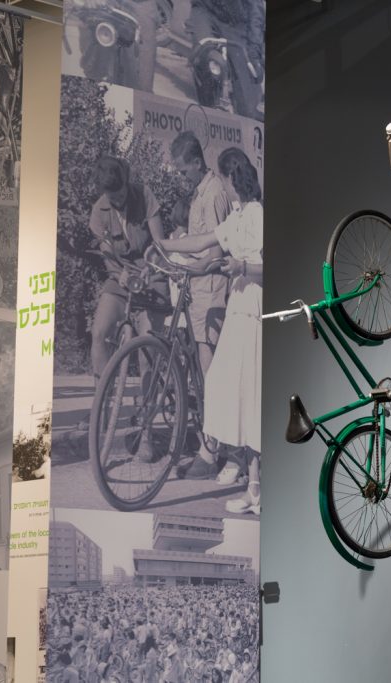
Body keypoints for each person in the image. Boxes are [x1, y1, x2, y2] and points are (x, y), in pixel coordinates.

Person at [161, 159, 262, 514]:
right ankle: (248, 477)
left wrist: (242, 266)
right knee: (223, 385)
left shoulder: (258, 215)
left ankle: (253, 485)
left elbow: (272, 264)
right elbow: (204, 242)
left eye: (226, 176)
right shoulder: (238, 215)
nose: (224, 182)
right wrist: (165, 246)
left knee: (249, 396)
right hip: (238, 308)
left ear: (235, 178)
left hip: (254, 309)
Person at [167, 131, 230, 479]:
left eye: (182, 170)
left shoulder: (215, 193)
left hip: (212, 292)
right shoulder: (198, 194)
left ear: (195, 162)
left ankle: (212, 451)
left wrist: (189, 265)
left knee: (212, 377)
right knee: (204, 378)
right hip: (198, 291)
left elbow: (218, 249)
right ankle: (210, 443)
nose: (180, 176)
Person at [87, 156, 169, 385]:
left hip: (152, 273)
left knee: (147, 346)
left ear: (126, 181)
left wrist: (151, 267)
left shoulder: (144, 195)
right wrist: (119, 274)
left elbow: (160, 243)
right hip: (120, 275)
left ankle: (148, 402)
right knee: (99, 333)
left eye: (121, 194)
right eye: (112, 198)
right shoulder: (98, 211)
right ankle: (102, 400)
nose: (118, 201)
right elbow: (106, 254)